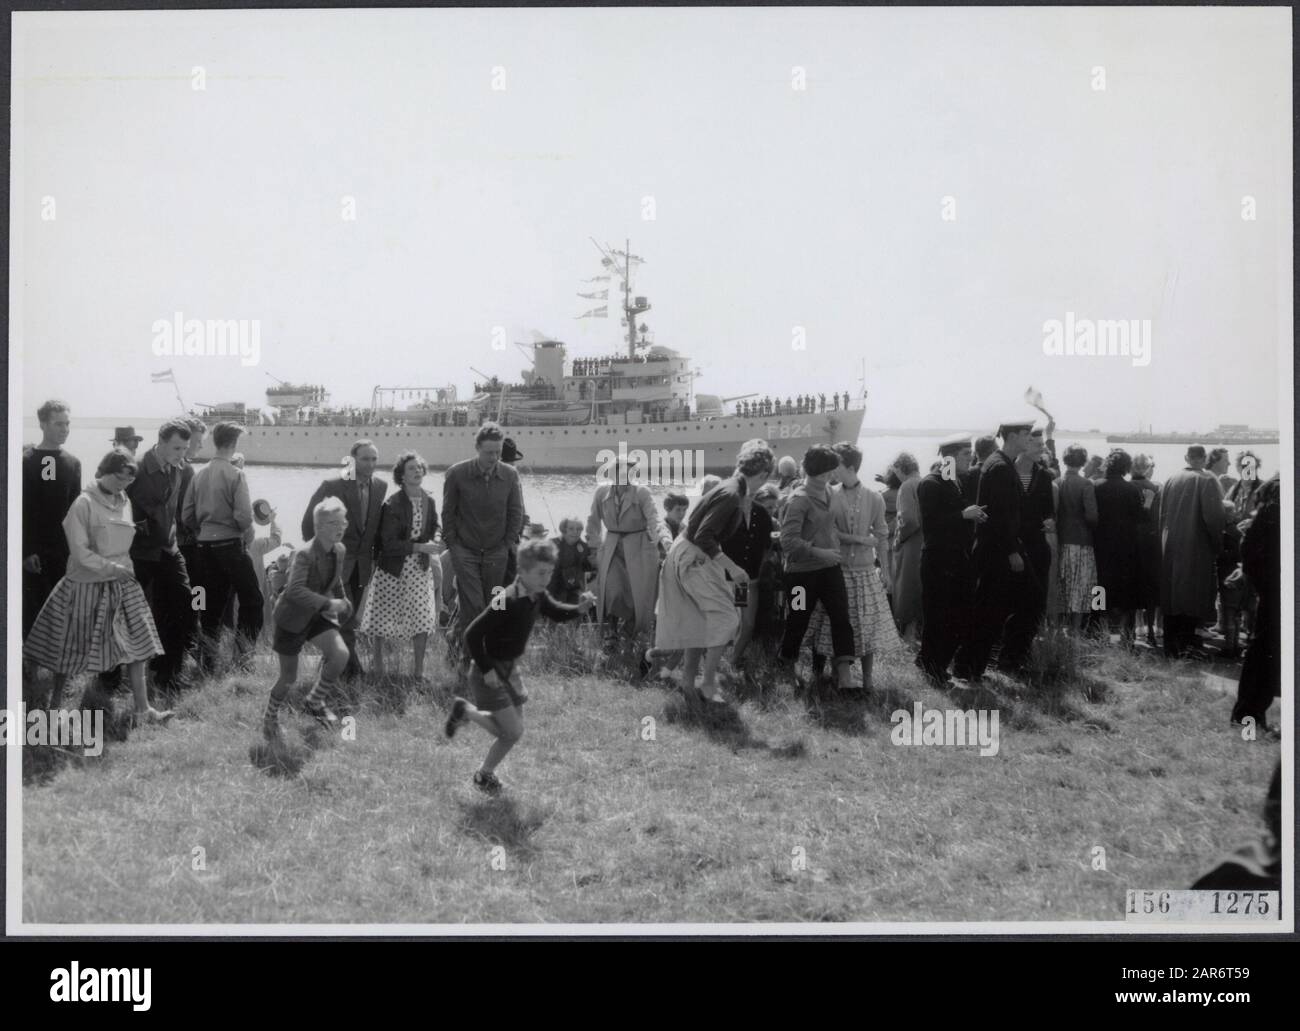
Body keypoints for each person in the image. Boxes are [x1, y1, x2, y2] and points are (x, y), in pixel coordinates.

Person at [23, 448, 174, 725]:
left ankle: (143, 710)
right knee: (69, 650)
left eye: (128, 480)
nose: (122, 485)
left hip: (121, 584)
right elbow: (80, 552)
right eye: (118, 479)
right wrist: (112, 569)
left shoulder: (124, 500)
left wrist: (122, 570)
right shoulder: (83, 504)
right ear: (102, 472)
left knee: (137, 647)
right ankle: (54, 711)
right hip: (85, 585)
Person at [444, 538, 596, 795]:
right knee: (512, 732)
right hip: (487, 672)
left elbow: (557, 612)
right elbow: (472, 634)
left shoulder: (538, 594)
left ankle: (468, 720)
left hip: (510, 671)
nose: (546, 578)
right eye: (540, 573)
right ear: (522, 571)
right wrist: (488, 669)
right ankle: (482, 769)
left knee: (512, 731)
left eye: (549, 572)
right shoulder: (506, 598)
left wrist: (580, 608)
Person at [656, 440, 775, 701]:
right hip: (693, 555)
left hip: (687, 552)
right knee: (728, 619)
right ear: (764, 474)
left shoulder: (728, 487)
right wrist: (734, 568)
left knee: (697, 620)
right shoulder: (732, 495)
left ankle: (689, 683)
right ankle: (707, 682)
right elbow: (704, 536)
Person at [807, 442, 902, 690]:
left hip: (865, 570)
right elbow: (828, 533)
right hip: (836, 570)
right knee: (835, 623)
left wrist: (887, 573)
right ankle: (838, 676)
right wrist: (860, 539)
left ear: (848, 466)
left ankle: (868, 681)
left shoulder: (874, 497)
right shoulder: (829, 494)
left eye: (835, 465)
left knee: (867, 625)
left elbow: (882, 535)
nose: (831, 470)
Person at [952, 418, 1041, 681]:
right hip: (998, 550)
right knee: (996, 610)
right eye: (1026, 434)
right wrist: (1012, 550)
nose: (1029, 439)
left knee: (999, 609)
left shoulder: (1000, 463)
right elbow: (1000, 515)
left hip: (997, 548)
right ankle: (976, 668)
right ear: (1012, 436)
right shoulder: (1000, 466)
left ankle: (986, 664)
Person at [262, 497, 353, 740]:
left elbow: (335, 579)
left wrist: (344, 600)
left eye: (343, 521)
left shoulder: (339, 549)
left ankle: (315, 700)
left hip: (317, 616)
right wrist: (328, 603)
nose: (341, 527)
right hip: (291, 618)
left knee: (340, 654)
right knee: (289, 678)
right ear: (319, 526)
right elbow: (294, 590)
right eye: (334, 522)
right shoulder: (303, 554)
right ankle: (270, 718)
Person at [123, 419, 199, 697]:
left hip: (168, 549)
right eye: (177, 447)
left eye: (185, 448)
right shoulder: (136, 467)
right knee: (124, 613)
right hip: (138, 553)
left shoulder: (181, 468)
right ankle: (107, 676)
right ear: (161, 442)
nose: (182, 453)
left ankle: (169, 674)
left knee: (183, 603)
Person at [182, 421, 263, 675]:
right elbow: (244, 517)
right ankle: (242, 657)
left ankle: (208, 660)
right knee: (253, 601)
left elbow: (186, 516)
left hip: (204, 546)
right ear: (234, 443)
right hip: (230, 545)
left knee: (211, 606)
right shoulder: (236, 474)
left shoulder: (200, 474)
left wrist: (203, 531)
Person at [301, 440, 386, 680]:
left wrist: (375, 558)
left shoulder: (380, 486)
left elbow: (373, 527)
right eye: (364, 458)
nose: (370, 464)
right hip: (336, 563)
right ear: (352, 460)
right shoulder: (333, 485)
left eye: (373, 459)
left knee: (346, 618)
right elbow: (309, 522)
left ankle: (331, 669)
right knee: (345, 616)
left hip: (362, 565)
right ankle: (353, 670)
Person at [778, 444, 856, 691]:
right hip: (801, 575)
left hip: (830, 570)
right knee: (798, 620)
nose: (833, 475)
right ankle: (786, 664)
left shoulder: (830, 493)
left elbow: (830, 526)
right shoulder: (798, 500)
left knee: (841, 617)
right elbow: (787, 541)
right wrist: (820, 551)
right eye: (830, 471)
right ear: (821, 472)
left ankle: (845, 677)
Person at [442, 422, 524, 654]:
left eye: (498, 452)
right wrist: (454, 546)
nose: (494, 457)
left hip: (496, 552)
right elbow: (448, 513)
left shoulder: (509, 475)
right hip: (465, 551)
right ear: (477, 448)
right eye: (489, 452)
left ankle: (456, 640)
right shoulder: (457, 474)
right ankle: (472, 659)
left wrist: (506, 544)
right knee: (475, 604)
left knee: (490, 604)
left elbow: (515, 512)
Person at [359, 451, 440, 682]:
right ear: (401, 476)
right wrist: (420, 548)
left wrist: (433, 542)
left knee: (422, 618)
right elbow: (388, 544)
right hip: (393, 567)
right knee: (381, 618)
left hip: (419, 569)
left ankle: (418, 672)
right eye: (411, 469)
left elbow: (433, 527)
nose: (417, 472)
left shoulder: (429, 501)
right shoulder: (393, 503)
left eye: (419, 468)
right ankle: (378, 668)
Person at [916, 434, 987, 687]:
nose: (972, 458)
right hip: (938, 561)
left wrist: (971, 516)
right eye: (967, 455)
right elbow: (931, 525)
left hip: (958, 560)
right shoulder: (931, 484)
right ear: (951, 457)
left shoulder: (958, 482)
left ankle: (933, 663)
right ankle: (931, 667)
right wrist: (962, 515)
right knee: (939, 617)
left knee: (958, 615)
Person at [586, 458, 671, 642]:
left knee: (638, 596)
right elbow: (593, 522)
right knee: (612, 592)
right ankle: (612, 632)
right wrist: (594, 548)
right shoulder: (601, 493)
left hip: (639, 549)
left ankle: (630, 633)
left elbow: (654, 519)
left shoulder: (641, 493)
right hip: (611, 549)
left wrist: (665, 541)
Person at [22, 400, 82, 640]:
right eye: (59, 424)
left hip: (63, 550)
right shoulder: (25, 462)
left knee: (63, 612)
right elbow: (22, 511)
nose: (64, 429)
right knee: (32, 612)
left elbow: (75, 510)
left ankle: (59, 670)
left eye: (67, 424)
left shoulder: (73, 463)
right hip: (35, 551)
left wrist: (78, 551)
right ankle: (27, 668)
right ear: (42, 424)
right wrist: (26, 551)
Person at [1159, 445, 1226, 658]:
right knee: (1192, 595)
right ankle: (1187, 646)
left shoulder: (1171, 479)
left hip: (1170, 545)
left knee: (1172, 594)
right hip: (1197, 547)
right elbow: (1214, 519)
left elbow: (1161, 514)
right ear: (1204, 459)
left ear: (1186, 457)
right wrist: (1218, 544)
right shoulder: (1207, 480)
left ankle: (1170, 645)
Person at [1231, 474, 1279, 733]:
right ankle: (1248, 714)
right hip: (1275, 584)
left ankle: (1248, 712)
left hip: (1271, 582)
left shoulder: (1272, 492)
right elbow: (1252, 545)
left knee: (1264, 647)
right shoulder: (1278, 495)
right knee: (1264, 647)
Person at [720, 475, 778, 673]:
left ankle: (732, 661)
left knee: (747, 624)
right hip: (729, 578)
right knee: (732, 623)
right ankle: (722, 663)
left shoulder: (761, 513)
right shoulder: (727, 510)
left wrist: (763, 564)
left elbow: (767, 546)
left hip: (749, 580)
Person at [1093, 449, 1144, 643]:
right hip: (1127, 547)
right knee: (1128, 594)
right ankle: (1127, 637)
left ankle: (1100, 633)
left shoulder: (1096, 486)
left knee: (1100, 589)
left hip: (1101, 545)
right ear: (1126, 467)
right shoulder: (1131, 489)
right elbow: (1140, 517)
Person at [1015, 422, 1056, 633]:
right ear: (1025, 444)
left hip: (1037, 545)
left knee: (1037, 598)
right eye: (1037, 444)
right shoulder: (1007, 471)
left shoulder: (1044, 476)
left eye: (1043, 444)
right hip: (1014, 545)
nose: (1042, 448)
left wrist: (1050, 520)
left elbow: (1048, 510)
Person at [1056, 444, 1099, 632]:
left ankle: (1059, 629)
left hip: (1061, 539)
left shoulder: (1056, 482)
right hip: (1082, 539)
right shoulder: (1086, 484)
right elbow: (1092, 516)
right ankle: (1076, 630)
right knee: (1081, 586)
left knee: (1063, 584)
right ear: (1083, 461)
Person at [890, 452, 924, 642]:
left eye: (897, 472)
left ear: (901, 469)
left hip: (912, 546)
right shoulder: (926, 481)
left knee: (906, 591)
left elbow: (909, 520)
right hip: (928, 544)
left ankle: (908, 639)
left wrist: (898, 539)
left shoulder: (907, 486)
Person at [1130, 454, 1162, 646]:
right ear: (1148, 468)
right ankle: (1151, 630)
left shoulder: (1128, 487)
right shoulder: (1156, 488)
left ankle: (1135, 628)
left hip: (1131, 543)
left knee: (1132, 587)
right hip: (1151, 543)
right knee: (1151, 588)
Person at [500, 437, 530, 584]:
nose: (513, 466)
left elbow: (522, 512)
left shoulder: (514, 480)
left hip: (512, 543)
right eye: (510, 462)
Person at [548, 518, 597, 605]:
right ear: (564, 530)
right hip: (556, 588)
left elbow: (591, 568)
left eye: (578, 529)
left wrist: (594, 550)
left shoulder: (584, 546)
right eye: (571, 529)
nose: (575, 532)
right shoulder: (552, 544)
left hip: (576, 588)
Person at [876, 467, 902, 599]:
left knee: (885, 575)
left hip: (884, 540)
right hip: (900, 539)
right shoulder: (904, 493)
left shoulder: (882, 494)